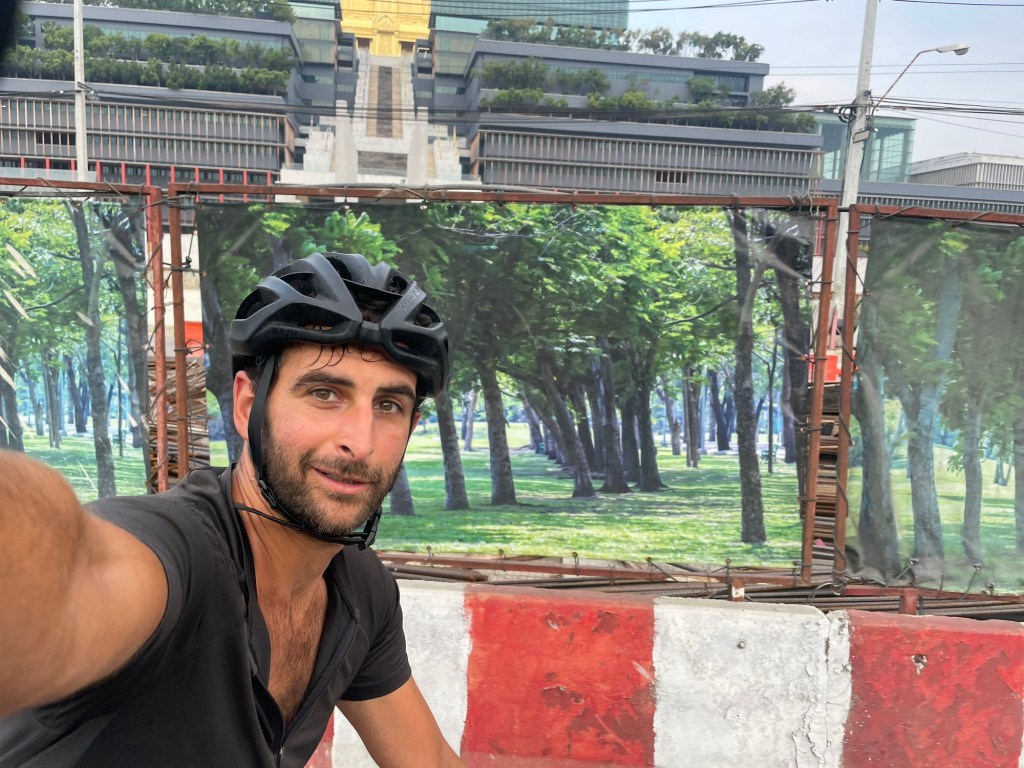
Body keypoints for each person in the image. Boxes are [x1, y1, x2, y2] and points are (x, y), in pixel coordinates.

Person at [0, 252, 466, 767]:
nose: (361, 442)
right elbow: (68, 577)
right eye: (324, 393)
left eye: (388, 406)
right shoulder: (181, 555)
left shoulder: (360, 587)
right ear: (247, 407)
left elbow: (429, 760)